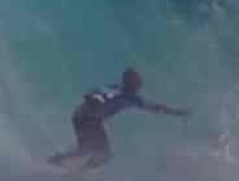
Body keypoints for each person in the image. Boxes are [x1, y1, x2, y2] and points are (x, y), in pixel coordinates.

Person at [50, 68, 189, 170]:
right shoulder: (129, 97)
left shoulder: (115, 88)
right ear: (132, 84)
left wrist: (94, 101)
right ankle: (77, 172)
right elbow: (156, 108)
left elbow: (90, 94)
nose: (139, 86)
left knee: (87, 151)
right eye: (138, 83)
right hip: (88, 119)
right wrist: (177, 113)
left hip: (81, 116)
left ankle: (56, 162)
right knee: (103, 155)